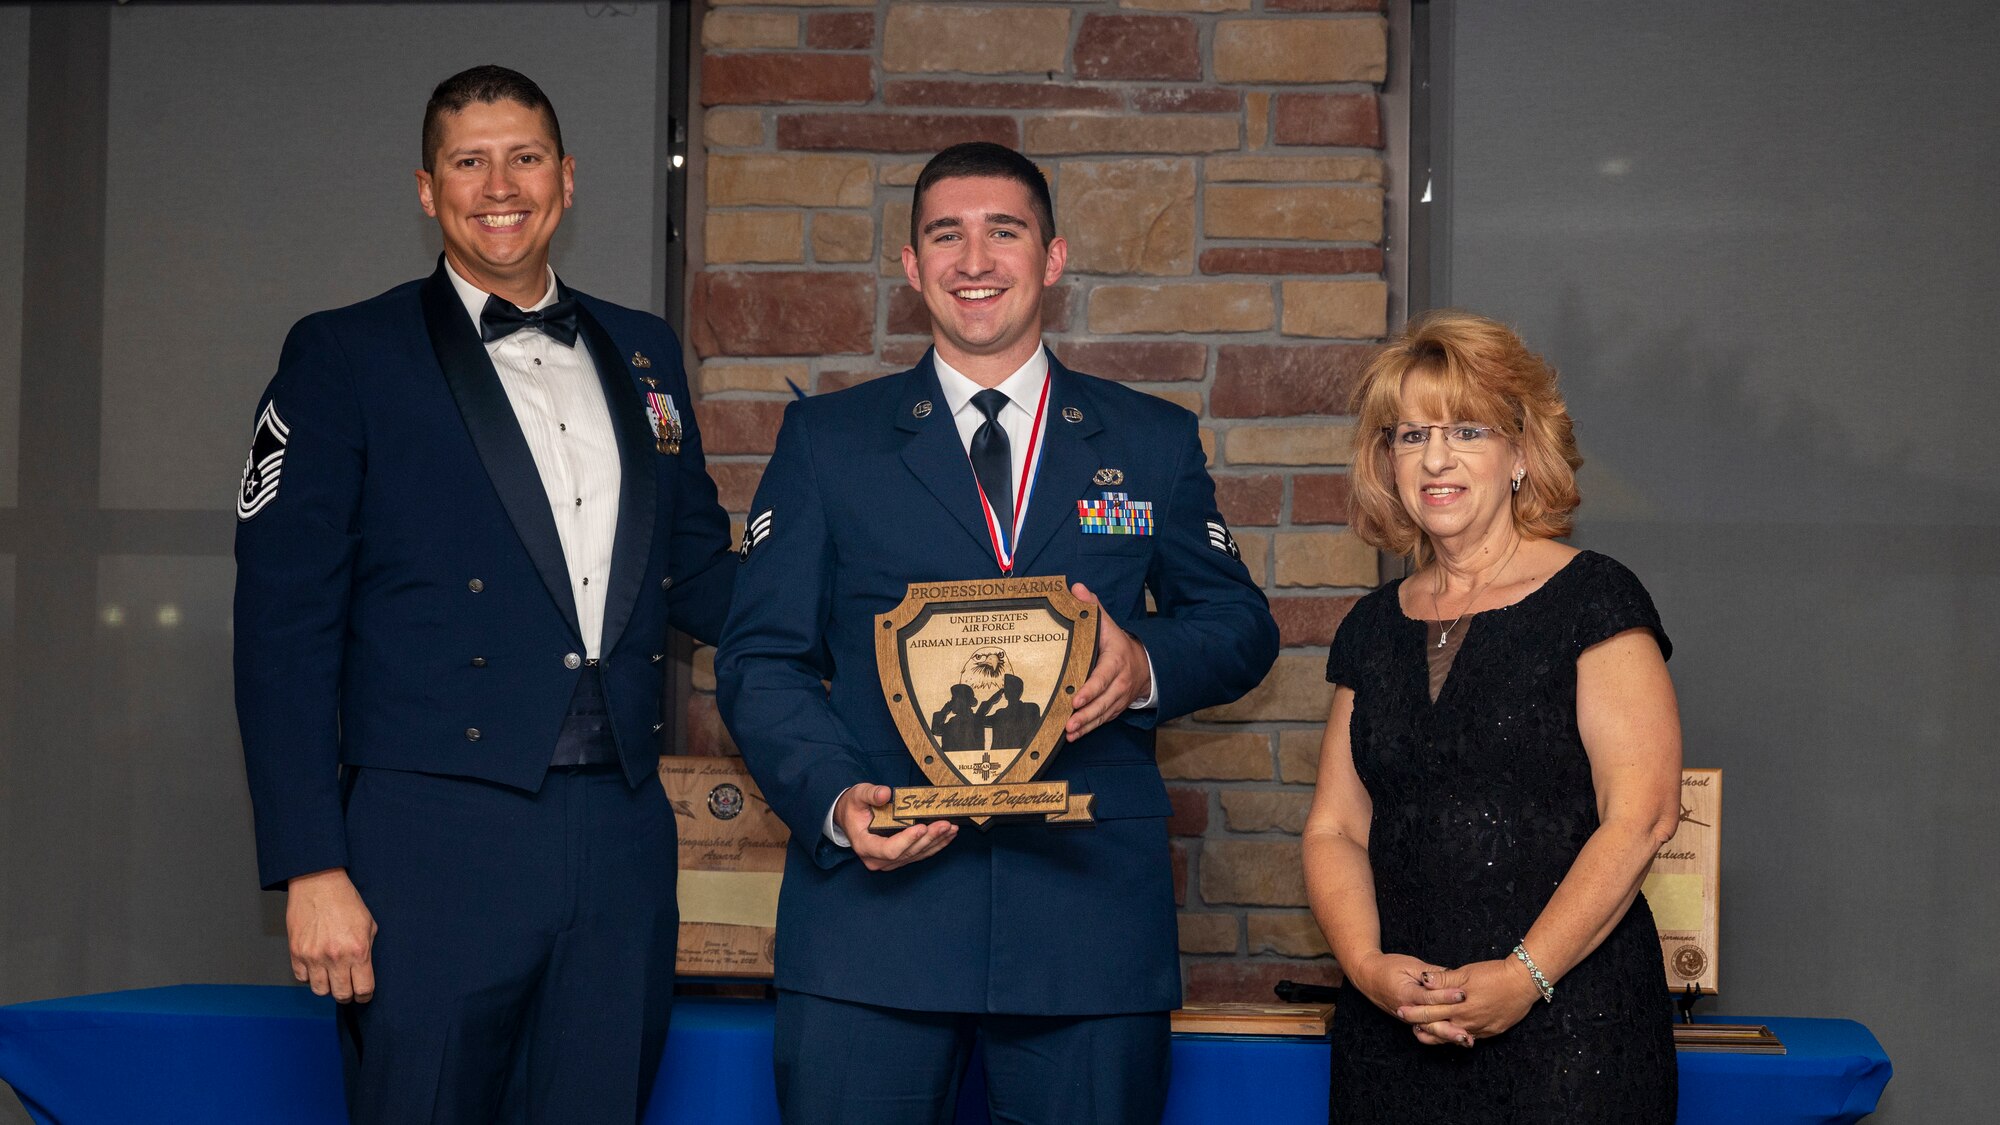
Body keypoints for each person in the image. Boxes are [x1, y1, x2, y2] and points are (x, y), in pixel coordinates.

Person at [715, 141, 1278, 1125]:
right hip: (873, 921)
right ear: (909, 265)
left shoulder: (1147, 440)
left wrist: (1145, 663)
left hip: (1084, 923)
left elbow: (1236, 625)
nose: (973, 257)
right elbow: (760, 656)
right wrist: (836, 800)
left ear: (1051, 258)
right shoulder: (827, 443)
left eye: (1002, 232)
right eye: (946, 234)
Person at [233, 65, 735, 1122]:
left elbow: (697, 570)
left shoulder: (641, 348)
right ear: (427, 189)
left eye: (524, 157)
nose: (498, 184)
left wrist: (876, 623)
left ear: (565, 179)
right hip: (429, 835)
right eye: (469, 161)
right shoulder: (343, 354)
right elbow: (283, 626)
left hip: (623, 833)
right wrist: (310, 865)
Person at [1301, 311, 1682, 1122]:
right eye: (1410, 436)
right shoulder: (1370, 628)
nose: (1435, 458)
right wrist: (1368, 968)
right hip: (1393, 1034)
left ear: (1519, 452)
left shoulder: (1596, 597)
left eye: (1465, 429)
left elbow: (1643, 815)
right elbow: (1335, 827)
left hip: (1572, 1035)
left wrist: (1524, 976)